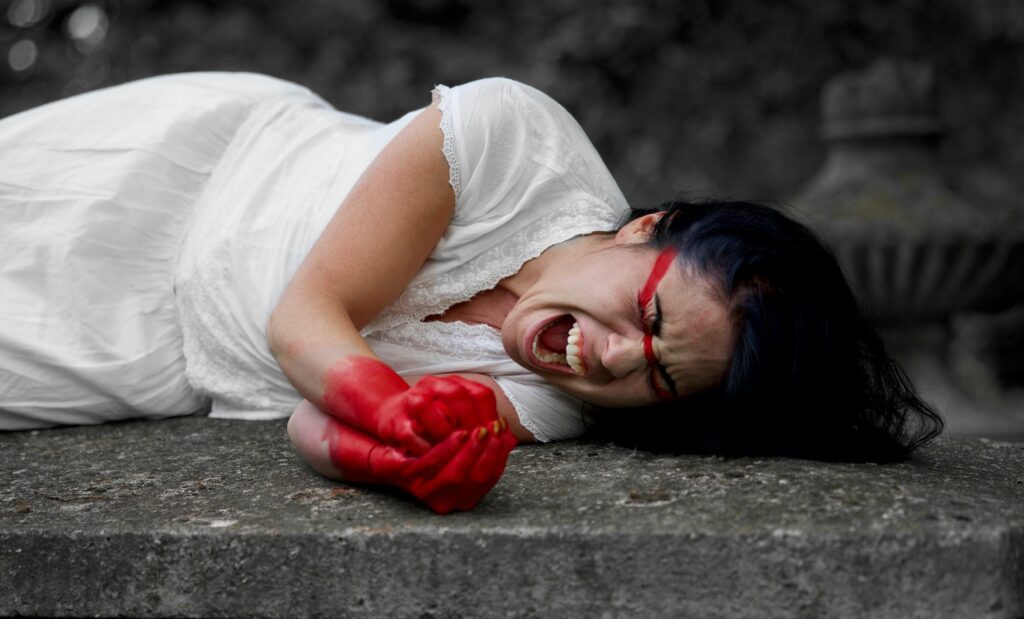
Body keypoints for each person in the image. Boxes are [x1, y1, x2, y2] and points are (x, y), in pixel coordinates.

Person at [0, 73, 942, 513]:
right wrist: (394, 405)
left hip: (145, 357)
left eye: (657, 377)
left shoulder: (558, 404)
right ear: (647, 227)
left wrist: (390, 459)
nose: (613, 358)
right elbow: (305, 322)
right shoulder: (509, 140)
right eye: (649, 317)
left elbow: (301, 422)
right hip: (172, 183)